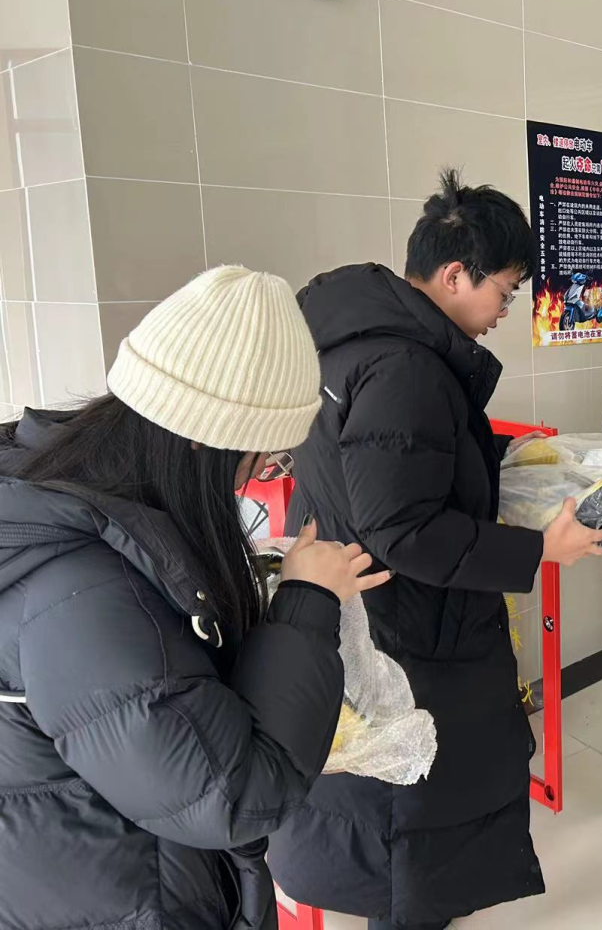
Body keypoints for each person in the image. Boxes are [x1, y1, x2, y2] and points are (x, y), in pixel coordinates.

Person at [0, 266, 388, 930]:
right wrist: (306, 600)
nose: (258, 478)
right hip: (120, 897)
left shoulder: (78, 484)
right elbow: (235, 796)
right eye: (265, 459)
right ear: (204, 436)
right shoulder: (82, 594)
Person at [267, 169, 602, 930]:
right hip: (412, 624)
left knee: (387, 797)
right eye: (504, 293)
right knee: (413, 810)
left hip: (360, 609)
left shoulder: (345, 344)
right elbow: (405, 528)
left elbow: (385, 480)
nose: (504, 312)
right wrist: (539, 549)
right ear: (456, 275)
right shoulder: (407, 368)